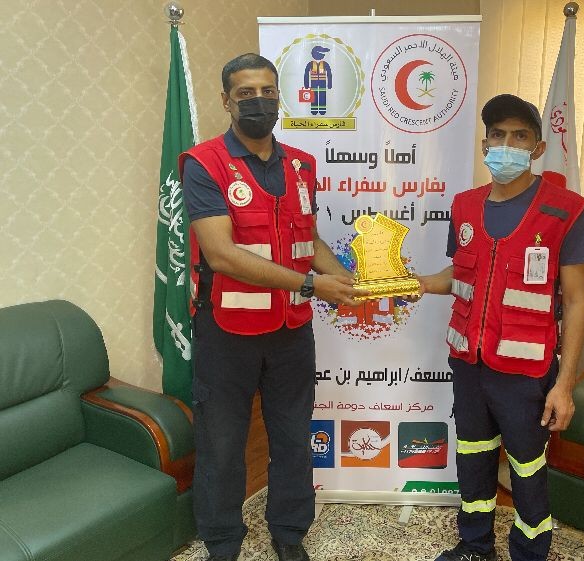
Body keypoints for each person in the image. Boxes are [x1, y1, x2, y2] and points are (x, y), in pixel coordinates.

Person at [180, 53, 363, 561]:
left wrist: (344, 279)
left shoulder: (301, 165)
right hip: (228, 330)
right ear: (226, 101)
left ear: (280, 97)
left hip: (289, 331)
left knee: (293, 437)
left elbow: (309, 239)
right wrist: (310, 284)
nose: (258, 102)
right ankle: (222, 542)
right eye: (246, 94)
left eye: (267, 92)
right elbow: (221, 254)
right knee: (222, 445)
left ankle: (289, 532)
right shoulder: (204, 164)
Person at [418, 94, 584, 561]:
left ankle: (530, 553)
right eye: (497, 135)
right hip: (469, 364)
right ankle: (475, 545)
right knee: (473, 457)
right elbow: (462, 274)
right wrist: (420, 283)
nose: (506, 145)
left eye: (519, 136)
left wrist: (565, 385)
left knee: (528, 468)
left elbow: (576, 302)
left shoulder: (565, 211)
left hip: (525, 373)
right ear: (484, 144)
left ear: (538, 148)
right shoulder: (464, 205)